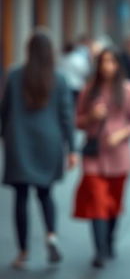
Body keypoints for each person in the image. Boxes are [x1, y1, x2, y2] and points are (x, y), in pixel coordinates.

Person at [0, 28, 77, 269]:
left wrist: (5, 137)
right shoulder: (59, 79)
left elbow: (4, 111)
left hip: (19, 142)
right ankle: (51, 236)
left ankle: (23, 253)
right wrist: (72, 149)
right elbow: (66, 116)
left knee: (20, 198)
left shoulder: (14, 75)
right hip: (49, 142)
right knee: (45, 194)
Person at [73, 47, 130, 268]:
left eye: (111, 62)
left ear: (118, 65)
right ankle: (100, 251)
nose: (107, 66)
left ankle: (109, 240)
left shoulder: (129, 89)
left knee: (112, 204)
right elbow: (78, 121)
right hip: (94, 155)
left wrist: (122, 133)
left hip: (119, 156)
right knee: (96, 201)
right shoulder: (89, 90)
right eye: (103, 62)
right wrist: (91, 117)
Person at [58, 40, 91, 107]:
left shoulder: (62, 58)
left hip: (67, 85)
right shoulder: (78, 59)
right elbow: (85, 71)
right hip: (77, 85)